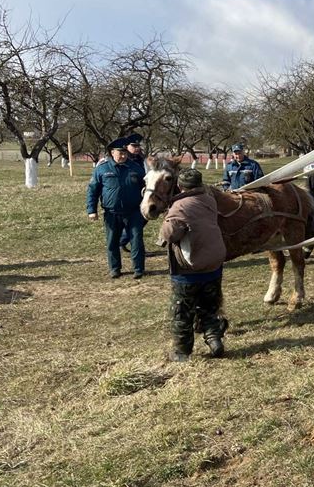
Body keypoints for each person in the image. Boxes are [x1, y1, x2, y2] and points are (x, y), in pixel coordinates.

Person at [160, 168, 228, 361]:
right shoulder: (209, 200)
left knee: (182, 311)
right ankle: (215, 339)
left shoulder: (180, 206)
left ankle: (182, 352)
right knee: (209, 306)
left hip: (189, 269)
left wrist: (167, 218)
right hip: (214, 264)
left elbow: (170, 234)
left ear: (180, 186)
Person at [86, 137, 147, 279]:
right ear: (112, 152)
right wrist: (92, 210)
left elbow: (146, 188)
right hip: (112, 213)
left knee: (136, 240)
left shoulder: (136, 168)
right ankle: (115, 268)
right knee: (112, 241)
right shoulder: (102, 168)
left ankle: (138, 269)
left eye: (125, 152)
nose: (124, 155)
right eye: (120, 153)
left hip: (133, 212)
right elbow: (93, 190)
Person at [120, 133, 145, 252]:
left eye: (138, 146)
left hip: (140, 194)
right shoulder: (124, 159)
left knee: (142, 220)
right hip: (127, 196)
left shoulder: (140, 158)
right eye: (134, 146)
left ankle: (124, 240)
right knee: (136, 223)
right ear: (127, 146)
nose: (137, 148)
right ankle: (123, 240)